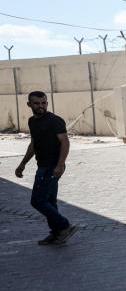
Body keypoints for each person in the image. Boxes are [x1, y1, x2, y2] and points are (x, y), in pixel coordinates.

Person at [14, 91, 79, 245]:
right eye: (37, 103)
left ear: (47, 104)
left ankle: (64, 226)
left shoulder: (54, 121)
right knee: (49, 201)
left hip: (52, 167)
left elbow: (65, 142)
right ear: (29, 104)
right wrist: (22, 164)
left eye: (44, 103)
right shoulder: (32, 121)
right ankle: (56, 233)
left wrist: (60, 164)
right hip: (42, 165)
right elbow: (33, 144)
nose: (41, 106)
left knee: (37, 201)